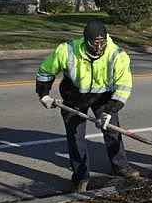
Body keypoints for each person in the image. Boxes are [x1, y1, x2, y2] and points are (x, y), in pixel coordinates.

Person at [36, 20, 139, 192]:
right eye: (94, 44)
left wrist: (109, 111)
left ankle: (120, 166)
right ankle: (80, 177)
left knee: (113, 132)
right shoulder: (67, 50)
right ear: (85, 41)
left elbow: (124, 86)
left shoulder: (117, 55)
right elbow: (46, 70)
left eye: (102, 44)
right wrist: (44, 94)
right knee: (76, 138)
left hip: (103, 98)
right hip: (73, 97)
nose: (99, 49)